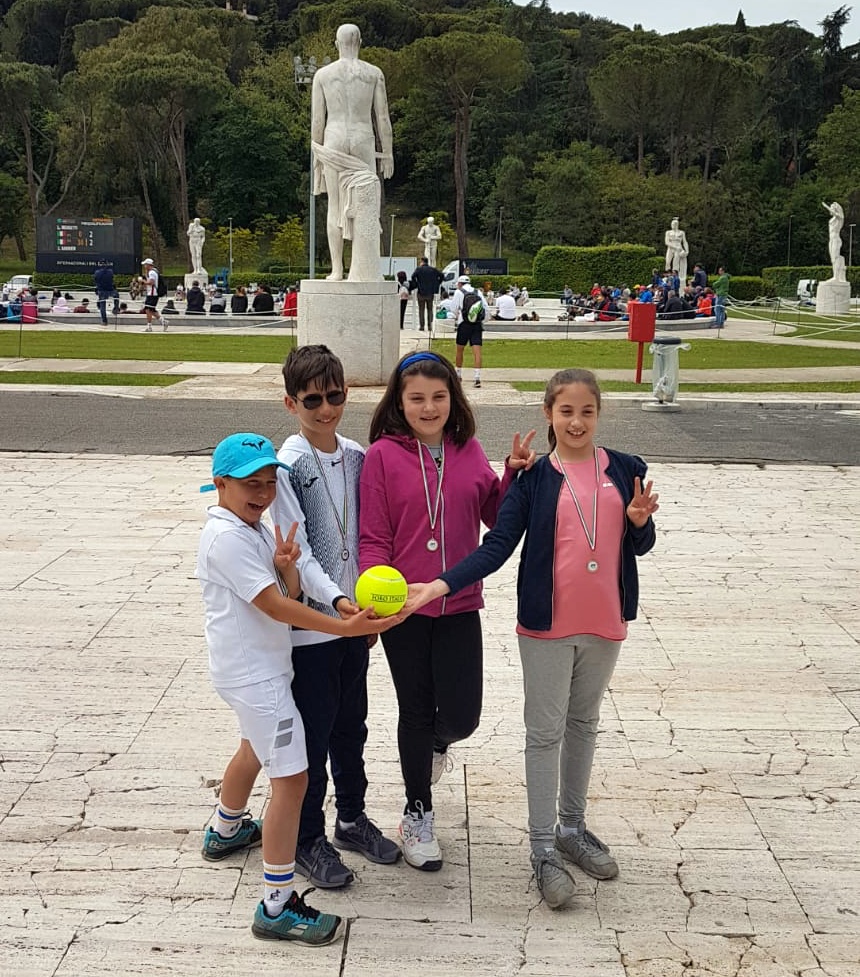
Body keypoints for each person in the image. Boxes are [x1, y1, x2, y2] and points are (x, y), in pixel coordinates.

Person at [405, 368, 658, 909]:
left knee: (584, 725)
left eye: (586, 412)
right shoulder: (535, 478)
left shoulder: (626, 469)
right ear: (548, 414)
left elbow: (640, 544)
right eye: (566, 411)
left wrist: (638, 523)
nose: (576, 422)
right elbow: (496, 546)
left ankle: (572, 828)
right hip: (547, 626)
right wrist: (440, 584)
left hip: (605, 623)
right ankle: (542, 846)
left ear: (599, 413)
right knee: (545, 734)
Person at [197, 432, 401, 945]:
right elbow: (277, 607)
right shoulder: (226, 539)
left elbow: (285, 591)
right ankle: (277, 904)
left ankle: (225, 829)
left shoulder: (251, 529)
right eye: (250, 483)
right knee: (291, 780)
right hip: (257, 676)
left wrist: (287, 566)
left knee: (252, 747)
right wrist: (344, 625)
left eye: (269, 482)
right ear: (220, 483)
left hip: (253, 670)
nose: (263, 492)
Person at [359, 351, 536, 871]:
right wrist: (374, 600)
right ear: (399, 402)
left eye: (438, 397)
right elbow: (374, 537)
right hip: (404, 609)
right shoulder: (381, 457)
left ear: (453, 399)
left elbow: (494, 514)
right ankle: (417, 812)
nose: (429, 407)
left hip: (458, 600)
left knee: (463, 716)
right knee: (414, 710)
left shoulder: (467, 448)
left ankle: (434, 747)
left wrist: (512, 475)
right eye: (416, 398)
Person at [270, 345, 401, 890]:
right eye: (312, 400)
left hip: (355, 620)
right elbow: (301, 553)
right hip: (314, 626)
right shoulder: (287, 465)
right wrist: (338, 602)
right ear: (290, 403)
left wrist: (366, 605)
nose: (326, 409)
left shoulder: (356, 454)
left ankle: (351, 818)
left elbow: (370, 532)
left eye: (335, 396)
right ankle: (307, 839)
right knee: (314, 735)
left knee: (352, 725)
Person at [311, 24, 393, 282]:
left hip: (333, 137)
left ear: (336, 44)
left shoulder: (323, 75)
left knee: (335, 206)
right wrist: (387, 152)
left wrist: (316, 153)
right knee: (366, 206)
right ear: (360, 42)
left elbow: (317, 120)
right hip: (363, 138)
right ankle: (364, 268)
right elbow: (382, 118)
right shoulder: (373, 73)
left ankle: (337, 270)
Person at [450, 275, 487, 388]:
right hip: (476, 324)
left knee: (460, 350)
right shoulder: (478, 292)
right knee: (477, 352)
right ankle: (477, 378)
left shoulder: (458, 292)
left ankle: (458, 375)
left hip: (464, 323)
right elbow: (485, 308)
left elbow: (453, 309)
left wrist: (458, 316)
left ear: (459, 283)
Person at [408, 257, 443, 331]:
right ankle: (430, 326)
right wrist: (437, 283)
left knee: (421, 310)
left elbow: (413, 276)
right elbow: (442, 275)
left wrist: (416, 284)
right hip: (430, 292)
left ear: (422, 262)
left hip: (421, 292)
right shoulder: (433, 269)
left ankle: (422, 326)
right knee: (430, 309)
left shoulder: (419, 269)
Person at [141, 258, 167, 332]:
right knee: (151, 309)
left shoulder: (152, 272)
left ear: (148, 265)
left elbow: (151, 282)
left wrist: (143, 281)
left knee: (148, 309)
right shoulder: (153, 271)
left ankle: (149, 326)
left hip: (152, 293)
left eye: (145, 265)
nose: (144, 266)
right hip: (152, 293)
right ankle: (163, 321)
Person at [822, 201, 846, 280]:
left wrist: (826, 207)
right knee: (832, 259)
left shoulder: (839, 218)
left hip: (836, 239)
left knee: (835, 257)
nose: (830, 210)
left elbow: (837, 215)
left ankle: (836, 277)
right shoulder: (832, 219)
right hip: (831, 239)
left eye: (832, 208)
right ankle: (835, 276)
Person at [664, 218, 689, 286]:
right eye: (672, 224)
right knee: (667, 262)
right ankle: (668, 276)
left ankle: (675, 276)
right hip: (671, 247)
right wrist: (675, 247)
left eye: (674, 224)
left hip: (679, 248)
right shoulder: (668, 232)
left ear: (677, 225)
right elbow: (667, 242)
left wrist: (687, 250)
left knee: (676, 263)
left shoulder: (681, 232)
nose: (672, 225)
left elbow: (685, 242)